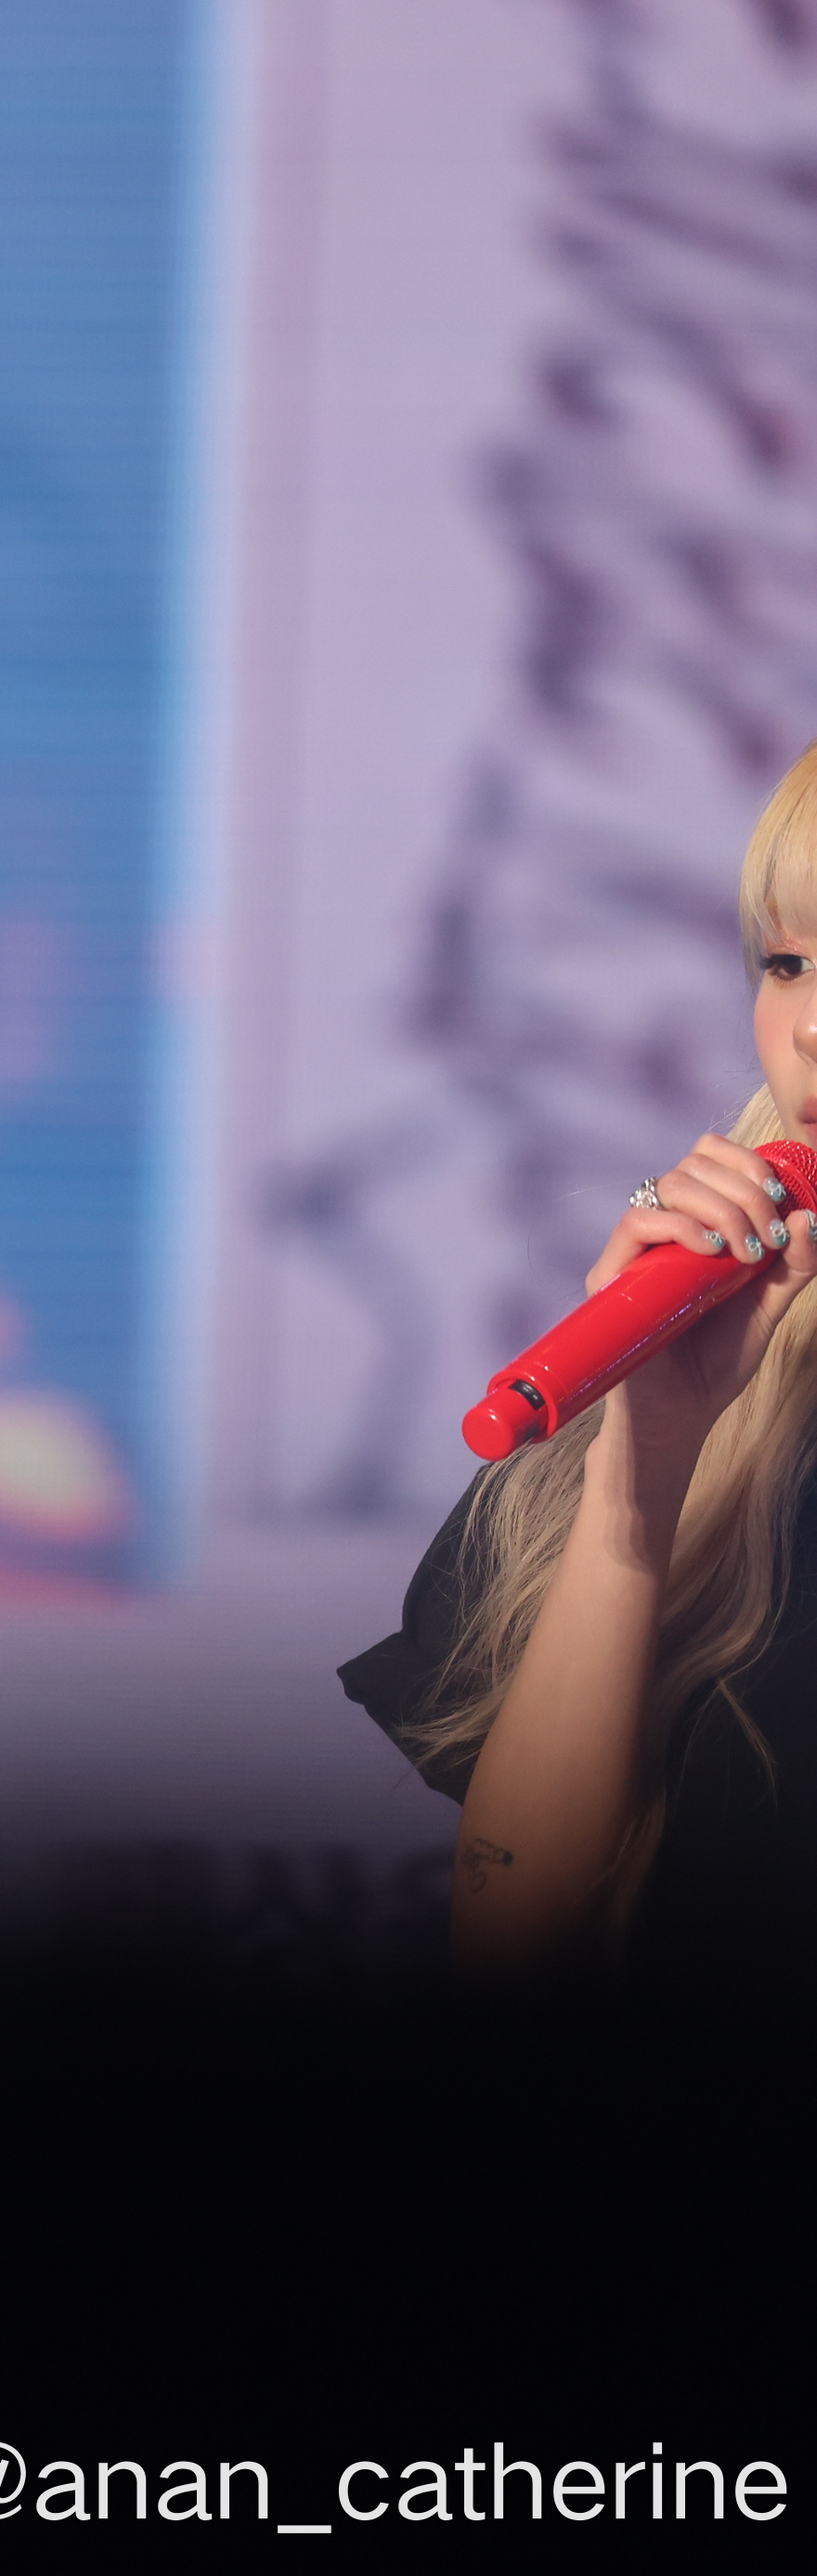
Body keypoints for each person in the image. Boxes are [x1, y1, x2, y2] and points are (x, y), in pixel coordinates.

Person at [343, 739, 817, 1986]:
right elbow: (516, 1951)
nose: (811, 1028)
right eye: (787, 963)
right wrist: (638, 1475)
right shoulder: (717, 1365)